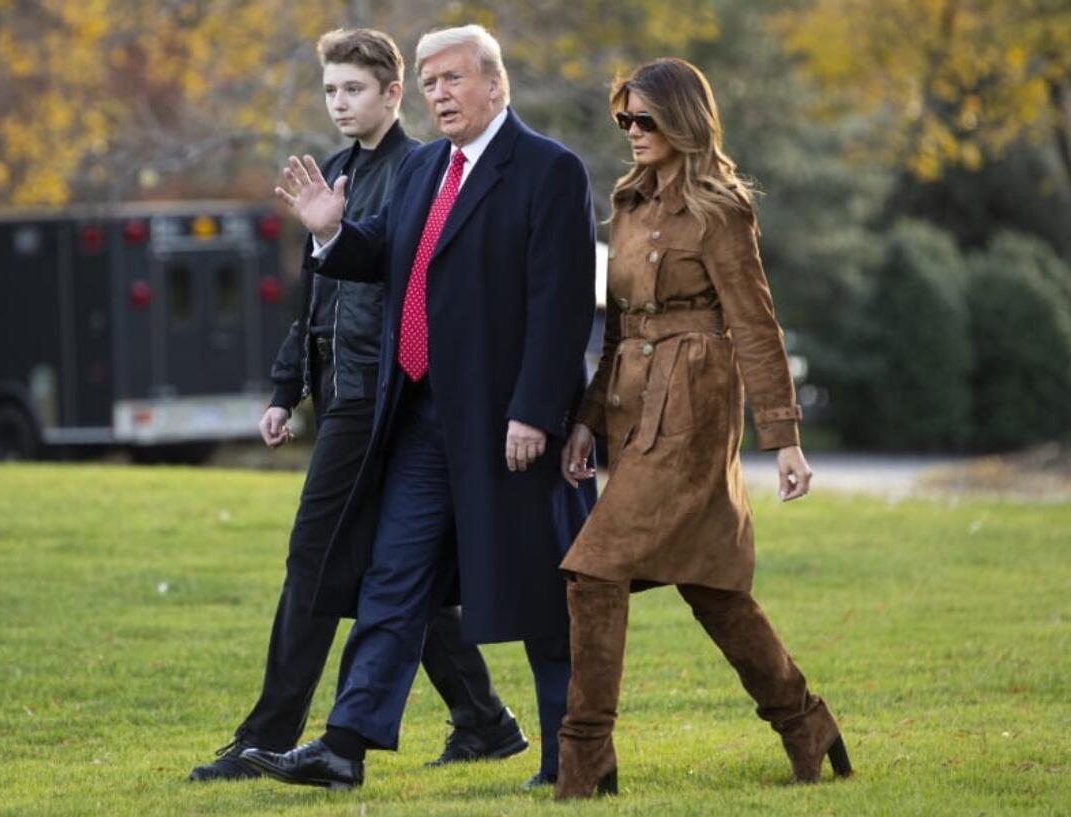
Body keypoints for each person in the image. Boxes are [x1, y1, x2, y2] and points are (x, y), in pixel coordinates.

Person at [240, 24, 597, 791]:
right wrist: (332, 232)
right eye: (430, 82)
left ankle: (575, 756)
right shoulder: (425, 167)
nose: (439, 94)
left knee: (541, 591)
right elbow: (386, 256)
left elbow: (561, 304)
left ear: (495, 85)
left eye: (454, 79)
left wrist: (536, 410)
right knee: (392, 579)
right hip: (419, 420)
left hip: (508, 423)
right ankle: (342, 746)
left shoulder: (548, 170)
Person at [188, 28, 527, 783]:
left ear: (390, 93)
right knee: (393, 569)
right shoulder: (334, 173)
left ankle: (263, 736)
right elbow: (315, 298)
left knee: (313, 556)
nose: (340, 104)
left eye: (353, 90)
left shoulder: (419, 171)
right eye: (331, 91)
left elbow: (416, 293)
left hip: (382, 397)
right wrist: (286, 387)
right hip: (339, 391)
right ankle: (485, 720)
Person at [553, 57, 854, 800]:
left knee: (593, 569)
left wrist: (784, 436)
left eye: (645, 119)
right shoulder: (626, 204)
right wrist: (589, 419)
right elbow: (618, 325)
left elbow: (755, 325)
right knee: (712, 587)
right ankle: (805, 722)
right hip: (632, 406)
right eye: (623, 118)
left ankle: (584, 757)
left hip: (693, 409)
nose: (631, 132)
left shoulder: (722, 210)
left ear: (685, 120)